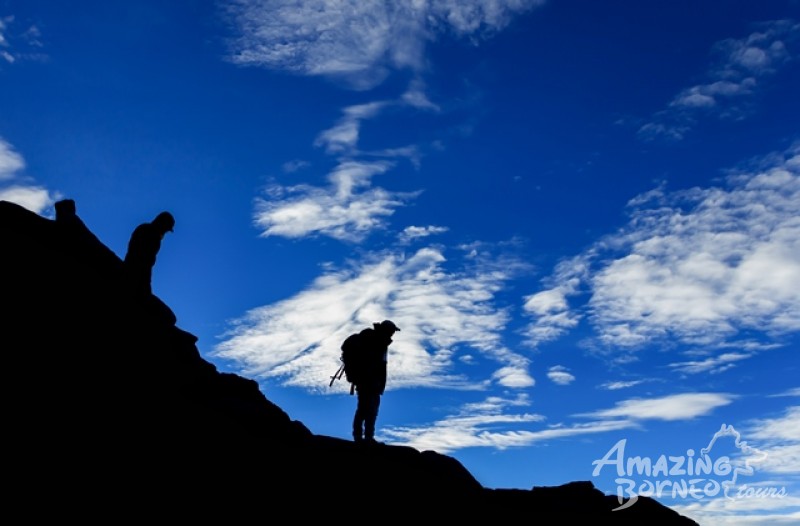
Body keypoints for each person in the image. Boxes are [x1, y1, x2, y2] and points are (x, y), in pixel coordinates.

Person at [350, 319, 400, 445]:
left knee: (371, 410)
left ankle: (367, 437)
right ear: (387, 330)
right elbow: (374, 364)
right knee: (364, 409)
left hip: (373, 383)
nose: (393, 334)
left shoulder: (381, 342)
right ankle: (360, 437)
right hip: (367, 382)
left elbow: (380, 366)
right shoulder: (374, 340)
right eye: (392, 331)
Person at [124, 211, 175, 296]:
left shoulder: (144, 228)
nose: (165, 232)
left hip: (134, 270)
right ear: (162, 223)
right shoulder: (152, 235)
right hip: (136, 273)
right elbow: (144, 260)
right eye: (166, 228)